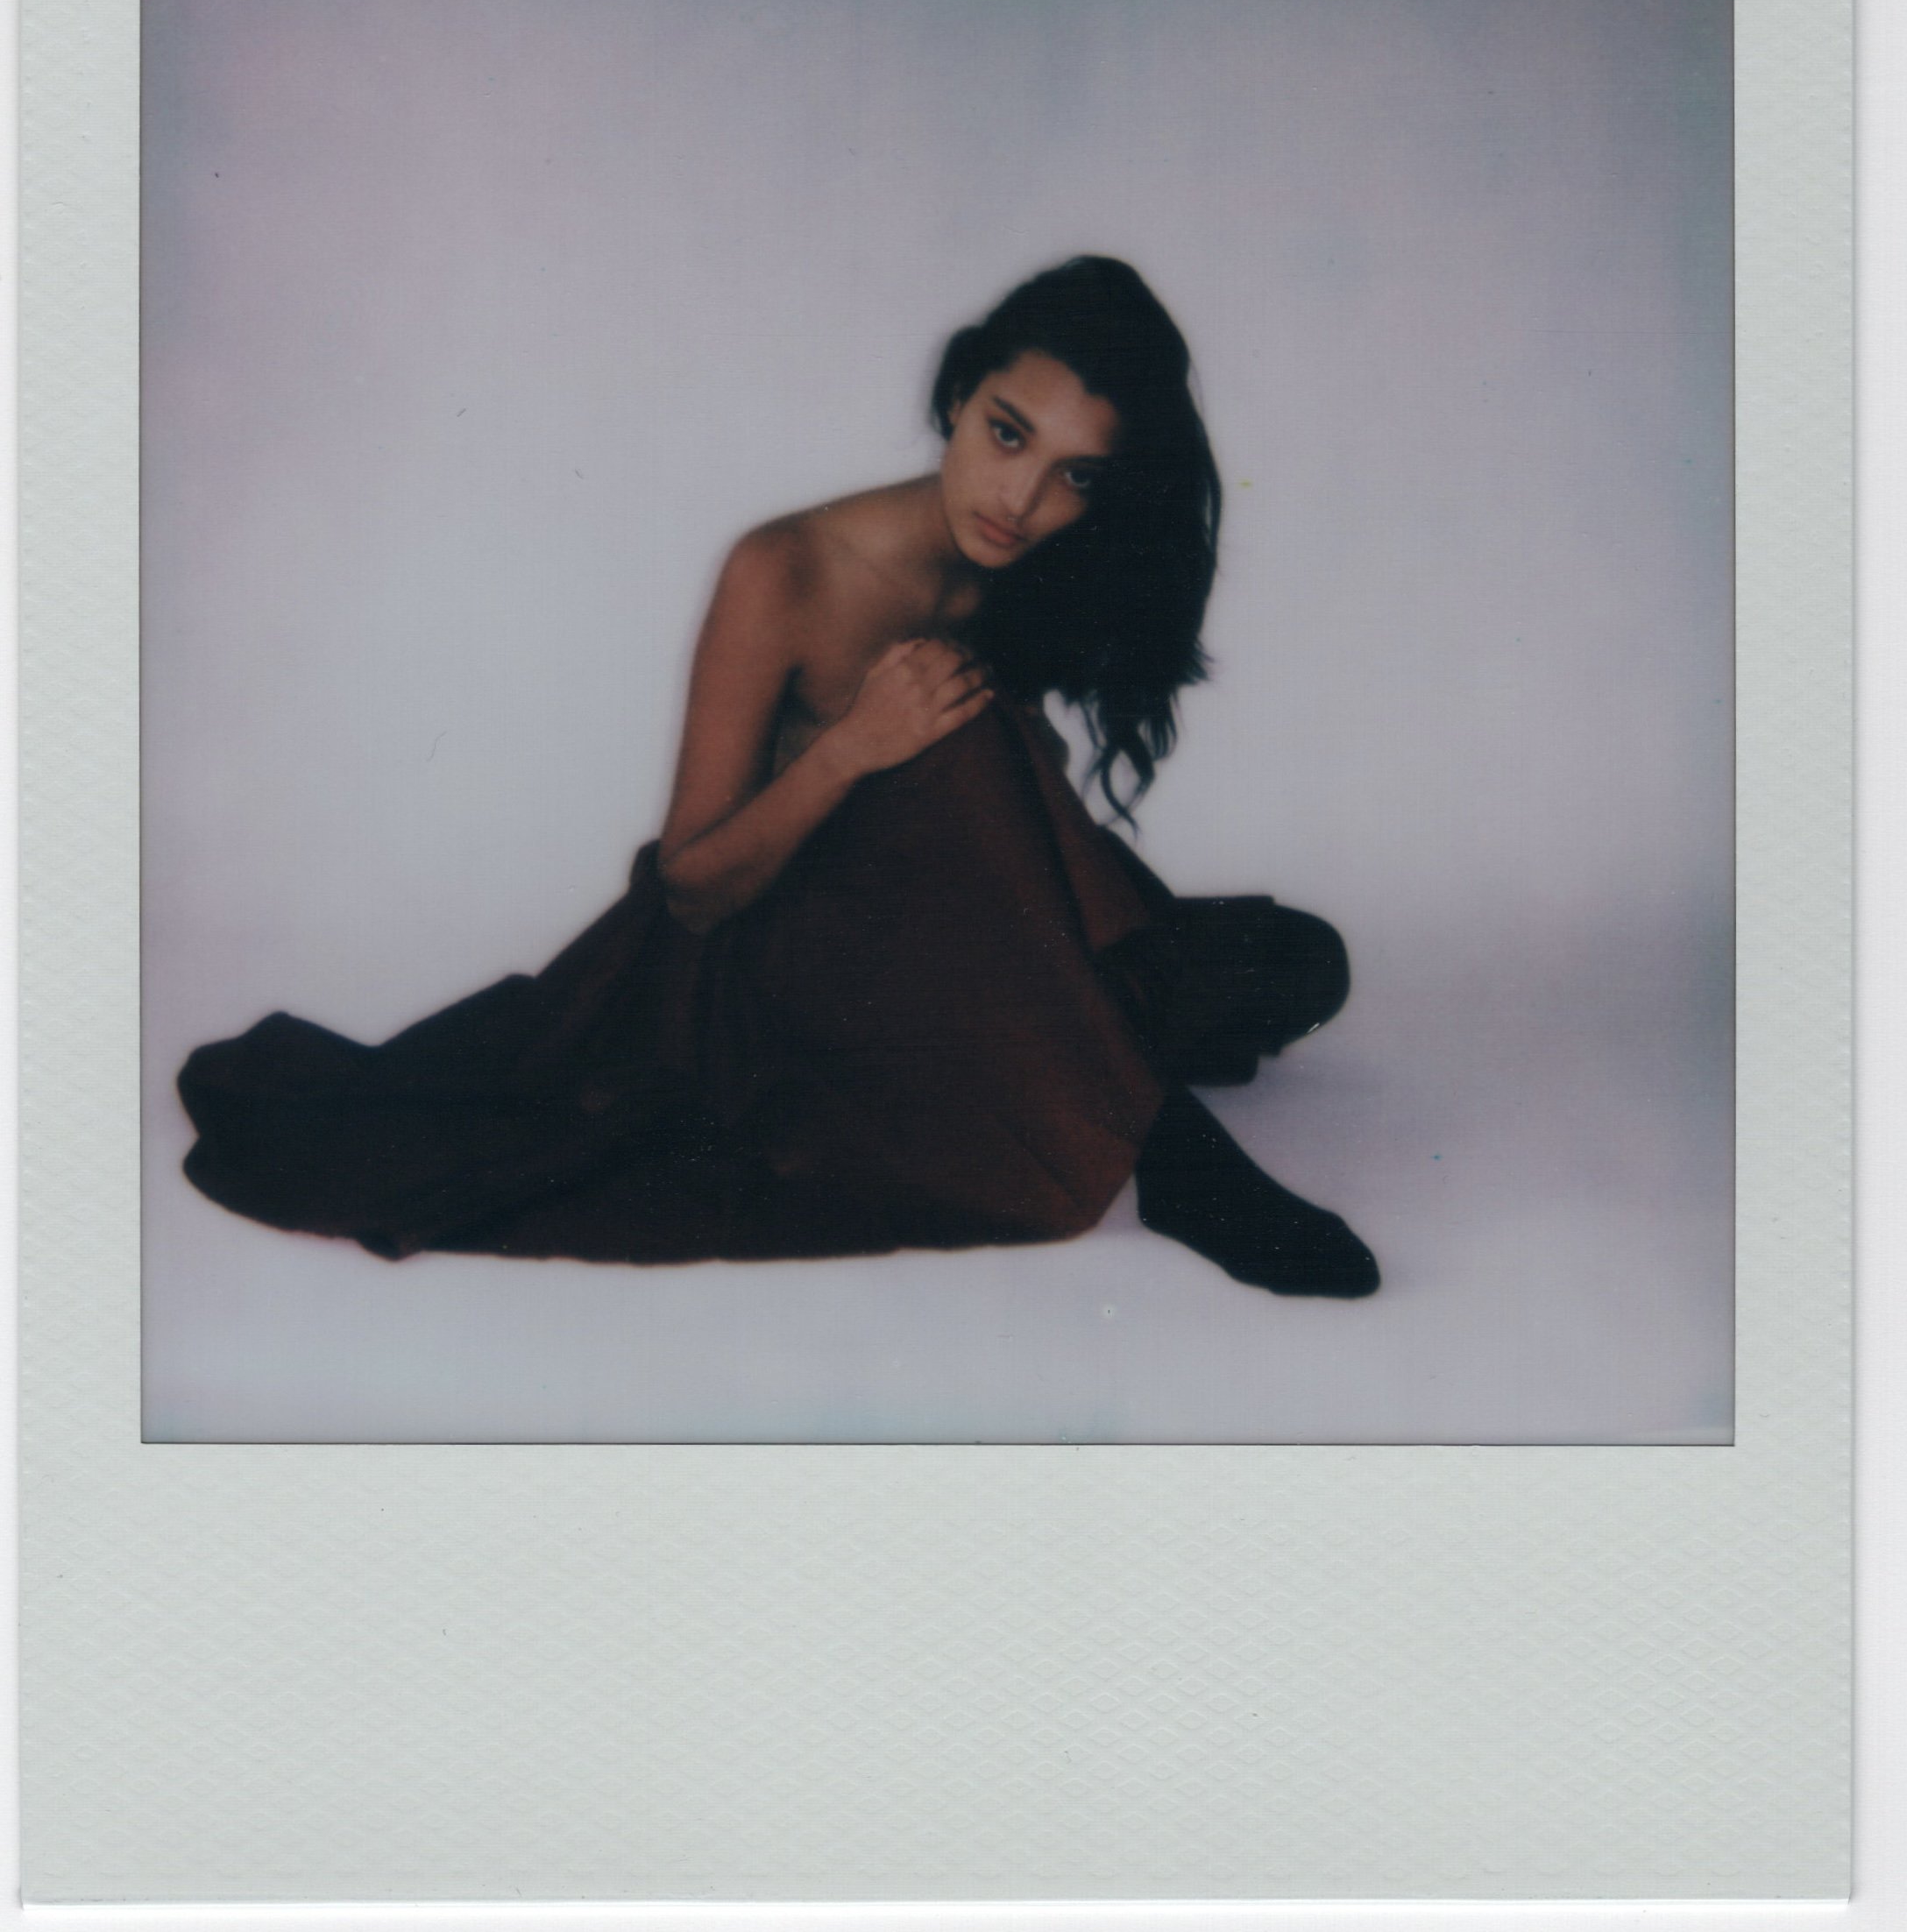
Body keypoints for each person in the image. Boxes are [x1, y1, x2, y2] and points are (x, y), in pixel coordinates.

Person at [180, 258, 1379, 1299]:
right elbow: (693, 888)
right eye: (1007, 432)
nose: (1019, 498)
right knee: (955, 734)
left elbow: (1007, 833)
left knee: (1300, 960)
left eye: (1075, 474)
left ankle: (1107, 1035)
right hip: (762, 973)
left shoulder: (1029, 565)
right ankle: (1171, 1147)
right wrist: (856, 747)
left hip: (943, 951)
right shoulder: (786, 570)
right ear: (957, 396)